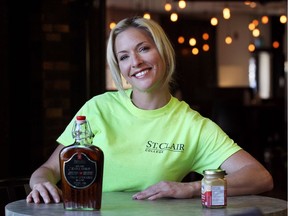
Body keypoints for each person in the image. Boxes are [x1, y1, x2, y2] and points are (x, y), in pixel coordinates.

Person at [26, 16, 273, 204]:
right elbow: (48, 170)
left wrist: (190, 188)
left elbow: (259, 177)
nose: (135, 62)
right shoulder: (97, 109)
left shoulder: (192, 125)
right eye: (123, 57)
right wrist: (39, 183)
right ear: (119, 68)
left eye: (143, 48)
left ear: (162, 51)